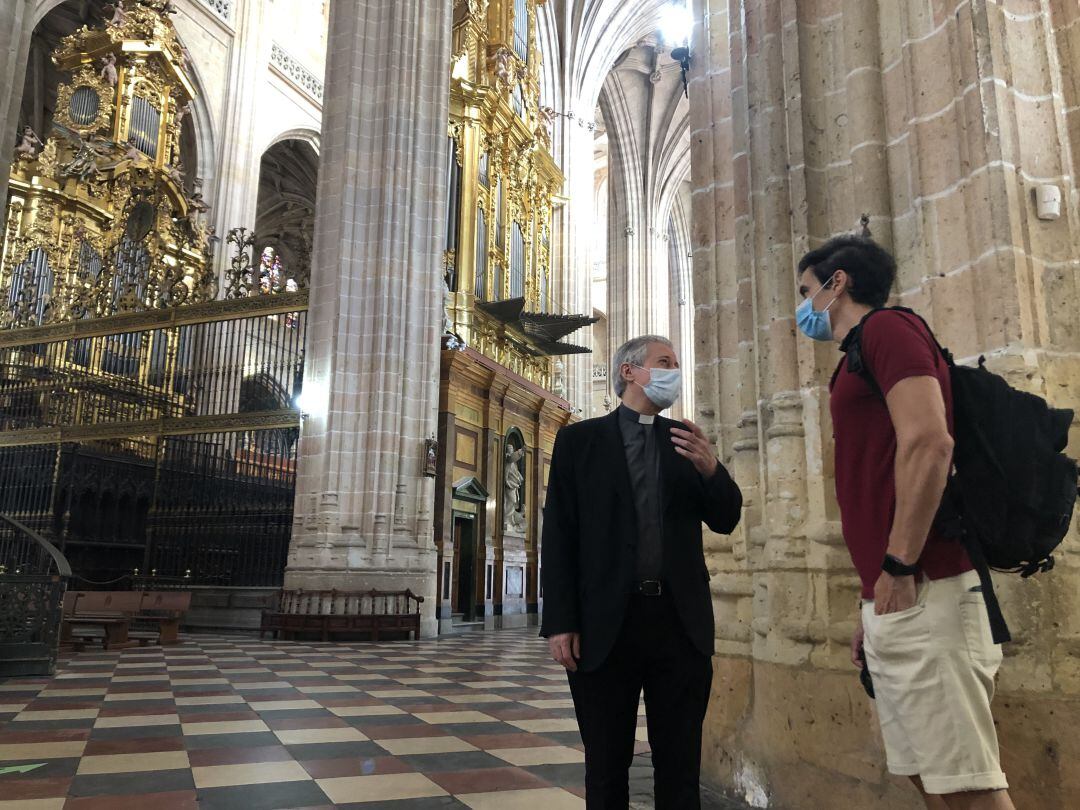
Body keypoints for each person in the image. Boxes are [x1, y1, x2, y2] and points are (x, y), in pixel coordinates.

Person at [794, 235, 1014, 810]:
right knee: (930, 776)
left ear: (835, 282)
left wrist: (899, 564)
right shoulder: (858, 352)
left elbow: (929, 443)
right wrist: (872, 599)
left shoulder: (889, 329)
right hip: (900, 594)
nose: (802, 308)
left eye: (804, 290)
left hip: (930, 582)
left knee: (969, 788)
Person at [541, 335, 743, 809]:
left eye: (676, 362)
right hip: (605, 624)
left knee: (679, 768)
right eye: (664, 362)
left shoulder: (684, 442)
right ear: (630, 372)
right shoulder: (579, 441)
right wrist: (561, 622)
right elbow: (560, 536)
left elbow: (727, 517)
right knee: (606, 768)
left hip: (678, 623)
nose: (674, 370)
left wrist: (713, 469)